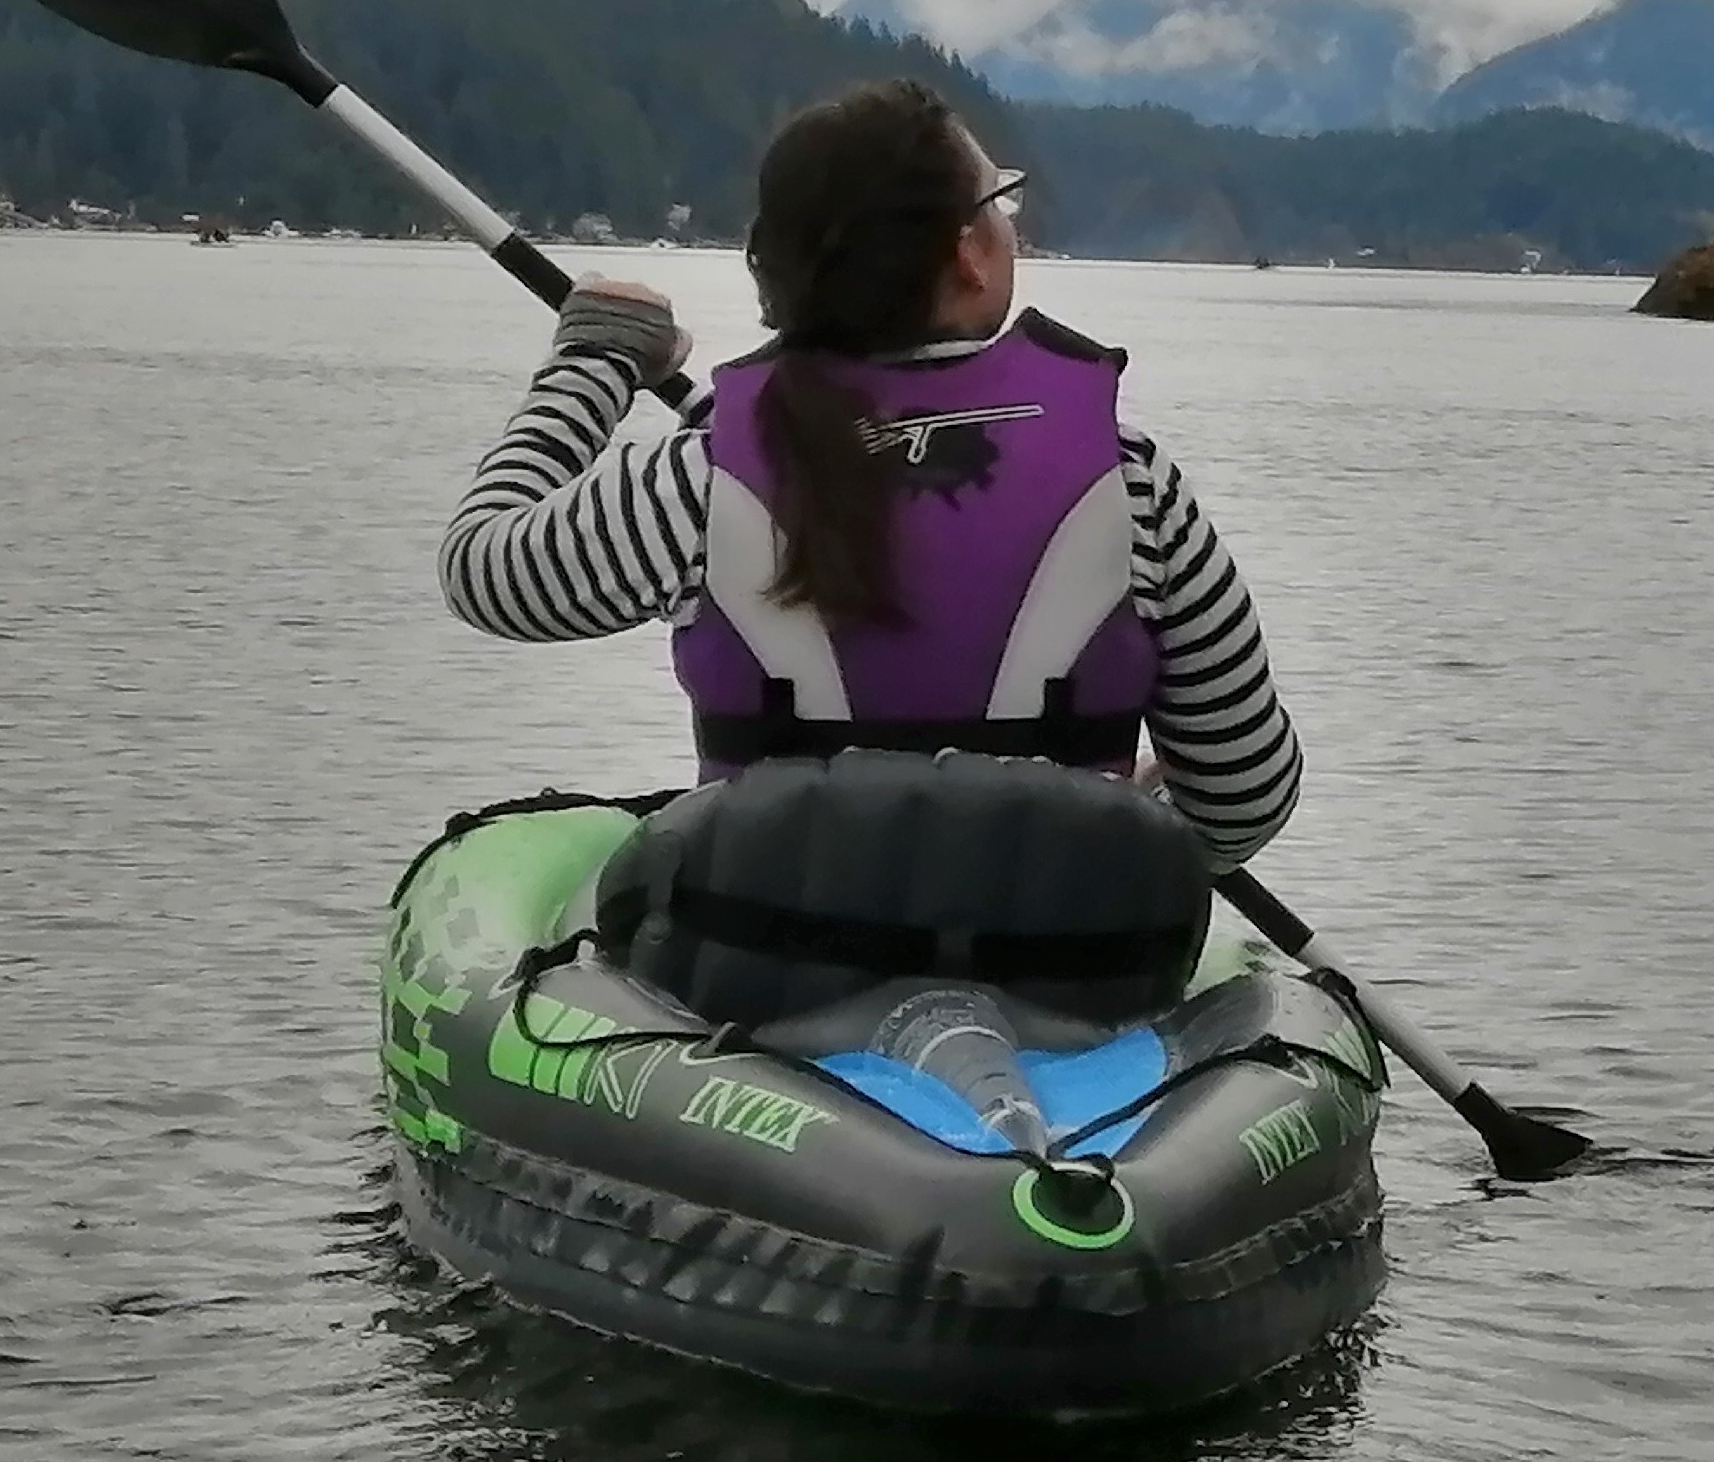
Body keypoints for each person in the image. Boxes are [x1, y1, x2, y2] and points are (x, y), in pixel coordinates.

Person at [436, 76, 1302, 871]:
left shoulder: (699, 480)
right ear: (967, 252)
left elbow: (487, 573)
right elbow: (1245, 799)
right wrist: (1134, 821)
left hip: (769, 964)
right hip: (1079, 970)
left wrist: (594, 362)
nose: (1014, 225)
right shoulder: (1133, 480)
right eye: (1003, 201)